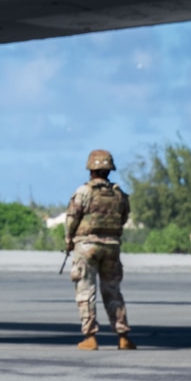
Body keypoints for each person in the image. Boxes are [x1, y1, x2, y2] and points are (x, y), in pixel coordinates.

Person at [63, 149, 134, 350]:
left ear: (91, 169)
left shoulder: (84, 192)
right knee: (113, 291)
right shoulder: (119, 194)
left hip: (87, 246)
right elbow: (124, 218)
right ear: (109, 170)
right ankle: (123, 336)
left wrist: (69, 240)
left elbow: (72, 219)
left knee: (85, 291)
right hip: (111, 246)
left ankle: (91, 336)